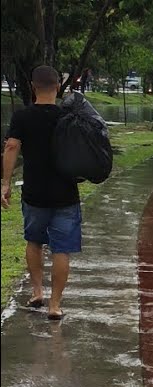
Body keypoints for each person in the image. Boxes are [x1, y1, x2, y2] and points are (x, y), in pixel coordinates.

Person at [2, 65, 82, 321]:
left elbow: (12, 146)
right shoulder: (67, 117)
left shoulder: (22, 117)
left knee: (33, 241)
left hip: (34, 192)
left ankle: (37, 291)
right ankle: (55, 305)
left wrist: (5, 183)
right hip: (66, 193)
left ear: (32, 86)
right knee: (62, 250)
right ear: (58, 86)